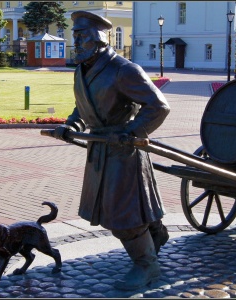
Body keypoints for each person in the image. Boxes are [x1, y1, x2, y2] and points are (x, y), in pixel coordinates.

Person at [54, 10, 170, 291]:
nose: (76, 41)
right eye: (75, 36)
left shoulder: (124, 69)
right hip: (100, 149)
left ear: (97, 39)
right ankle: (155, 234)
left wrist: (130, 132)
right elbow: (84, 105)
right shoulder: (82, 68)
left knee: (121, 214)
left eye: (81, 36)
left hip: (123, 151)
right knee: (116, 209)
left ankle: (147, 265)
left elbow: (158, 106)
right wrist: (73, 124)